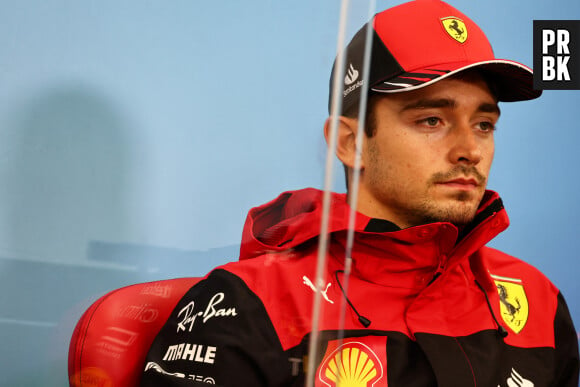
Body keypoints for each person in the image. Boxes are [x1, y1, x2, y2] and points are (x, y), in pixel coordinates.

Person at [140, 0, 579, 386]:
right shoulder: (247, 305)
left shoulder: (537, 301)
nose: (469, 150)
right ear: (350, 143)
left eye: (484, 125)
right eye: (431, 120)